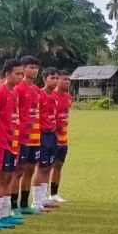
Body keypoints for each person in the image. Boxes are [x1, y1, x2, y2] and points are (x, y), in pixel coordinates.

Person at [0, 59, 24, 228]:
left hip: (13, 142)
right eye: (17, 74)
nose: (20, 77)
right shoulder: (0, 91)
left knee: (9, 177)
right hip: (1, 143)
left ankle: (5, 214)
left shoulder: (14, 93)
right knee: (2, 177)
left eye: (21, 74)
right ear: (7, 74)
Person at [10, 56, 41, 215]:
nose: (34, 70)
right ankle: (13, 206)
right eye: (31, 67)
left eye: (36, 67)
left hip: (35, 138)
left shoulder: (37, 90)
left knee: (30, 170)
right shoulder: (18, 89)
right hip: (21, 138)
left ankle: (24, 204)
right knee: (18, 171)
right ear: (23, 69)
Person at [31, 68, 60, 211]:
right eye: (52, 78)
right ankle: (36, 202)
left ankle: (43, 198)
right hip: (42, 135)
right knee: (41, 168)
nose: (55, 81)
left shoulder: (55, 97)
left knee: (48, 167)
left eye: (56, 78)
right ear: (44, 79)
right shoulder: (39, 95)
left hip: (52, 135)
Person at [48, 70, 73, 204]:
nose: (67, 82)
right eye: (64, 79)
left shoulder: (69, 97)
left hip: (64, 138)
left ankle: (54, 193)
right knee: (45, 167)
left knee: (59, 165)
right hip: (51, 137)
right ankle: (42, 195)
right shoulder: (51, 96)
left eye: (69, 79)